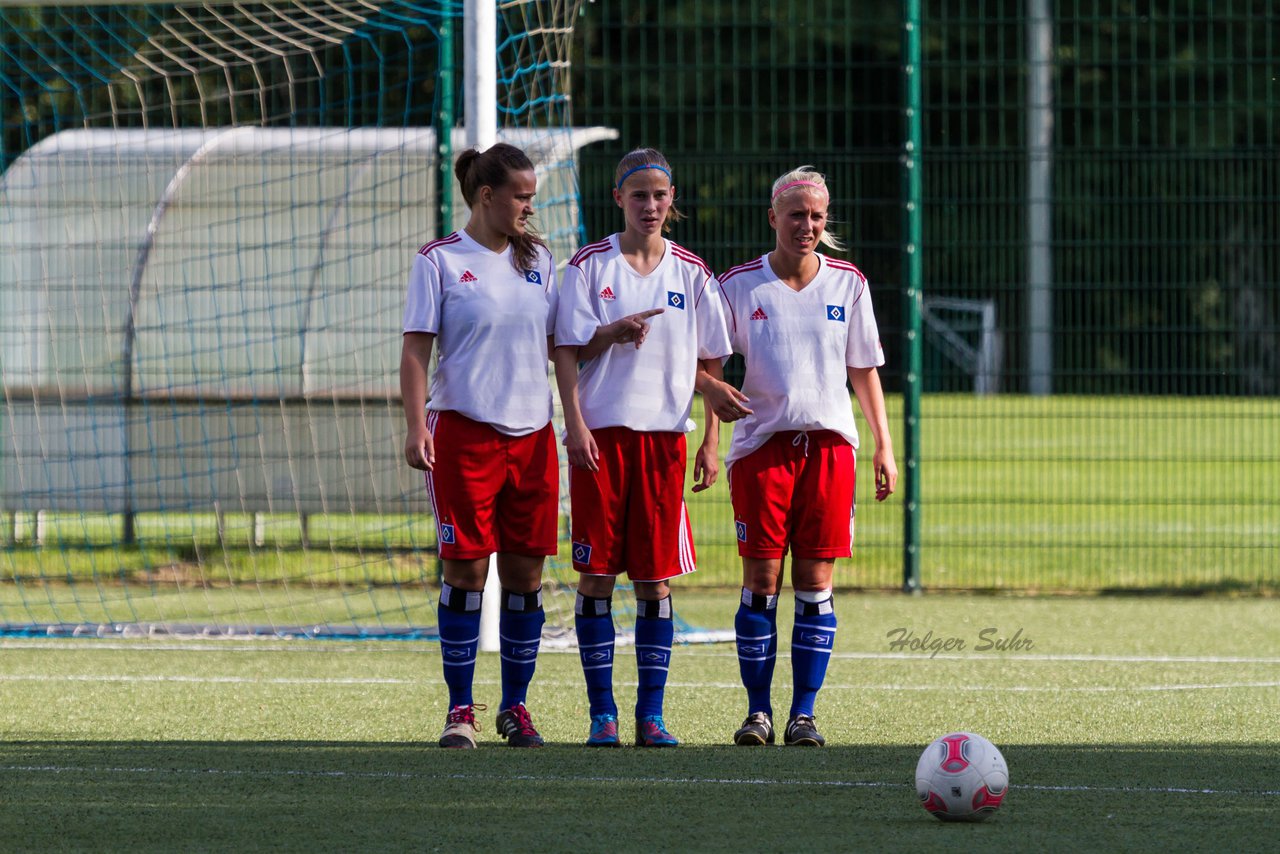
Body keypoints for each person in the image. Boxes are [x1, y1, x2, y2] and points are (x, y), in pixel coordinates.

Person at [554, 147, 741, 747]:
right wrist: (577, 419)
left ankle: (651, 715)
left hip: (664, 443)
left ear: (672, 200)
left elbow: (709, 360)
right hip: (599, 442)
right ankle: (602, 714)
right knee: (597, 577)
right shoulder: (587, 268)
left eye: (661, 196)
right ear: (619, 200)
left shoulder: (692, 273)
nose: (652, 206)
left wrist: (711, 439)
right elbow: (566, 351)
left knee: (656, 582)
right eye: (640, 196)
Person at [716, 166, 898, 748]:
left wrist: (883, 446)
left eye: (818, 216)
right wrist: (708, 438)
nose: (808, 226)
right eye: (797, 215)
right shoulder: (741, 285)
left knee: (815, 580)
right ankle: (757, 713)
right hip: (761, 449)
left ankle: (804, 715)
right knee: (762, 580)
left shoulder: (848, 284)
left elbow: (863, 370)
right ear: (773, 217)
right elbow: (709, 366)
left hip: (828, 450)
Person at [400, 143, 559, 749]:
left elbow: (554, 346)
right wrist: (417, 426)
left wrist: (611, 336)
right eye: (521, 195)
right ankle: (460, 709)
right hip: (462, 434)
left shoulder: (540, 260)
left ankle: (515, 707)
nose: (529, 206)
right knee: (466, 570)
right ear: (487, 196)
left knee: (525, 574)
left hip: (534, 437)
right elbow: (416, 350)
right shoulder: (439, 261)